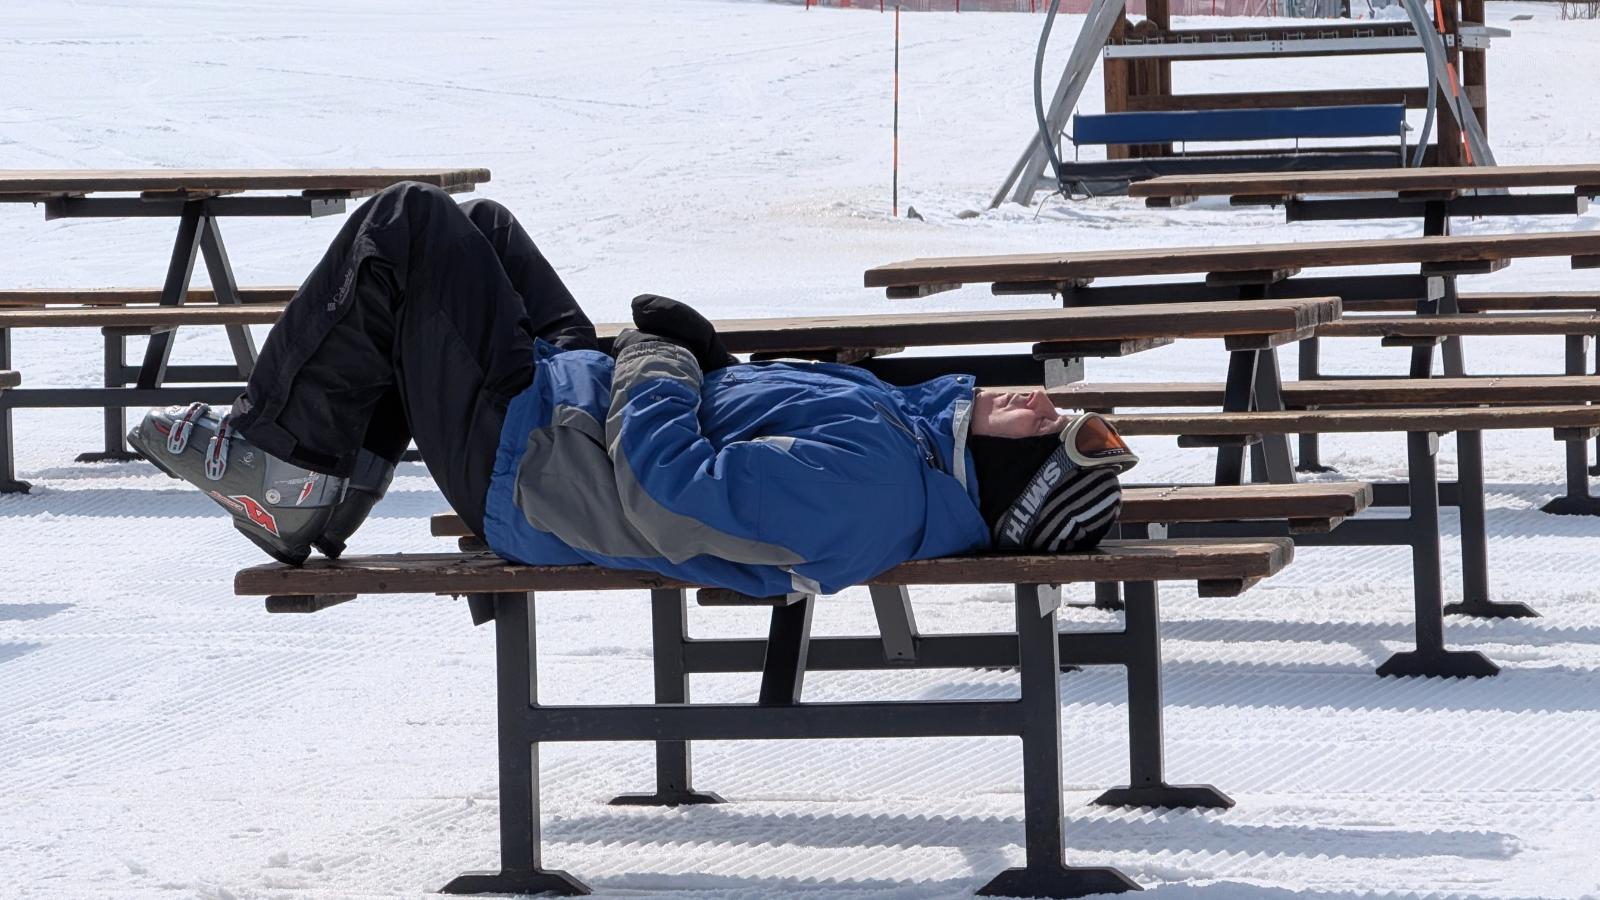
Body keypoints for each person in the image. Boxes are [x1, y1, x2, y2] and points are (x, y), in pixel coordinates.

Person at [128, 183, 1138, 598]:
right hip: (573, 422)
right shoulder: (909, 444)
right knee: (483, 230)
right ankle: (329, 478)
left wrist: (662, 357)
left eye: (1058, 432)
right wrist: (697, 358)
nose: (1048, 405)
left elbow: (669, 489)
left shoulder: (872, 492)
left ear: (1016, 483)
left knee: (409, 227)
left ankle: (281, 462)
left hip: (533, 470)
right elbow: (741, 428)